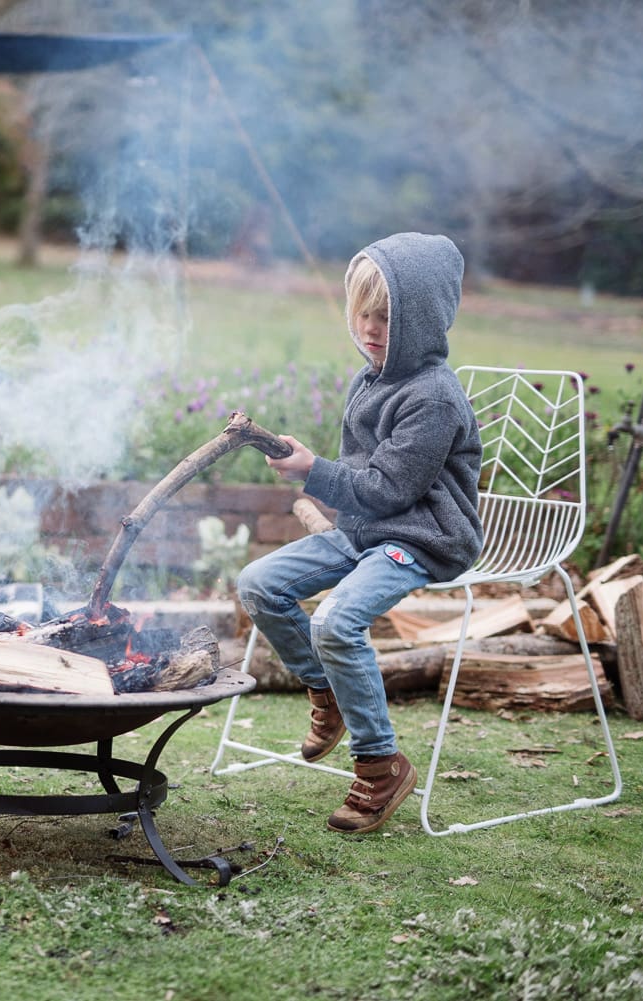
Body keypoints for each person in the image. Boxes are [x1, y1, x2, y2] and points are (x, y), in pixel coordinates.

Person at [236, 232, 482, 834]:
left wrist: (312, 471)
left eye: (388, 319)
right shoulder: (370, 378)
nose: (371, 330)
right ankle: (327, 694)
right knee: (258, 583)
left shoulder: (434, 398)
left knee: (335, 621)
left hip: (419, 536)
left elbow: (387, 490)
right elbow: (362, 485)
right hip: (363, 530)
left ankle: (379, 764)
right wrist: (312, 465)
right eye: (363, 315)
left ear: (423, 321)